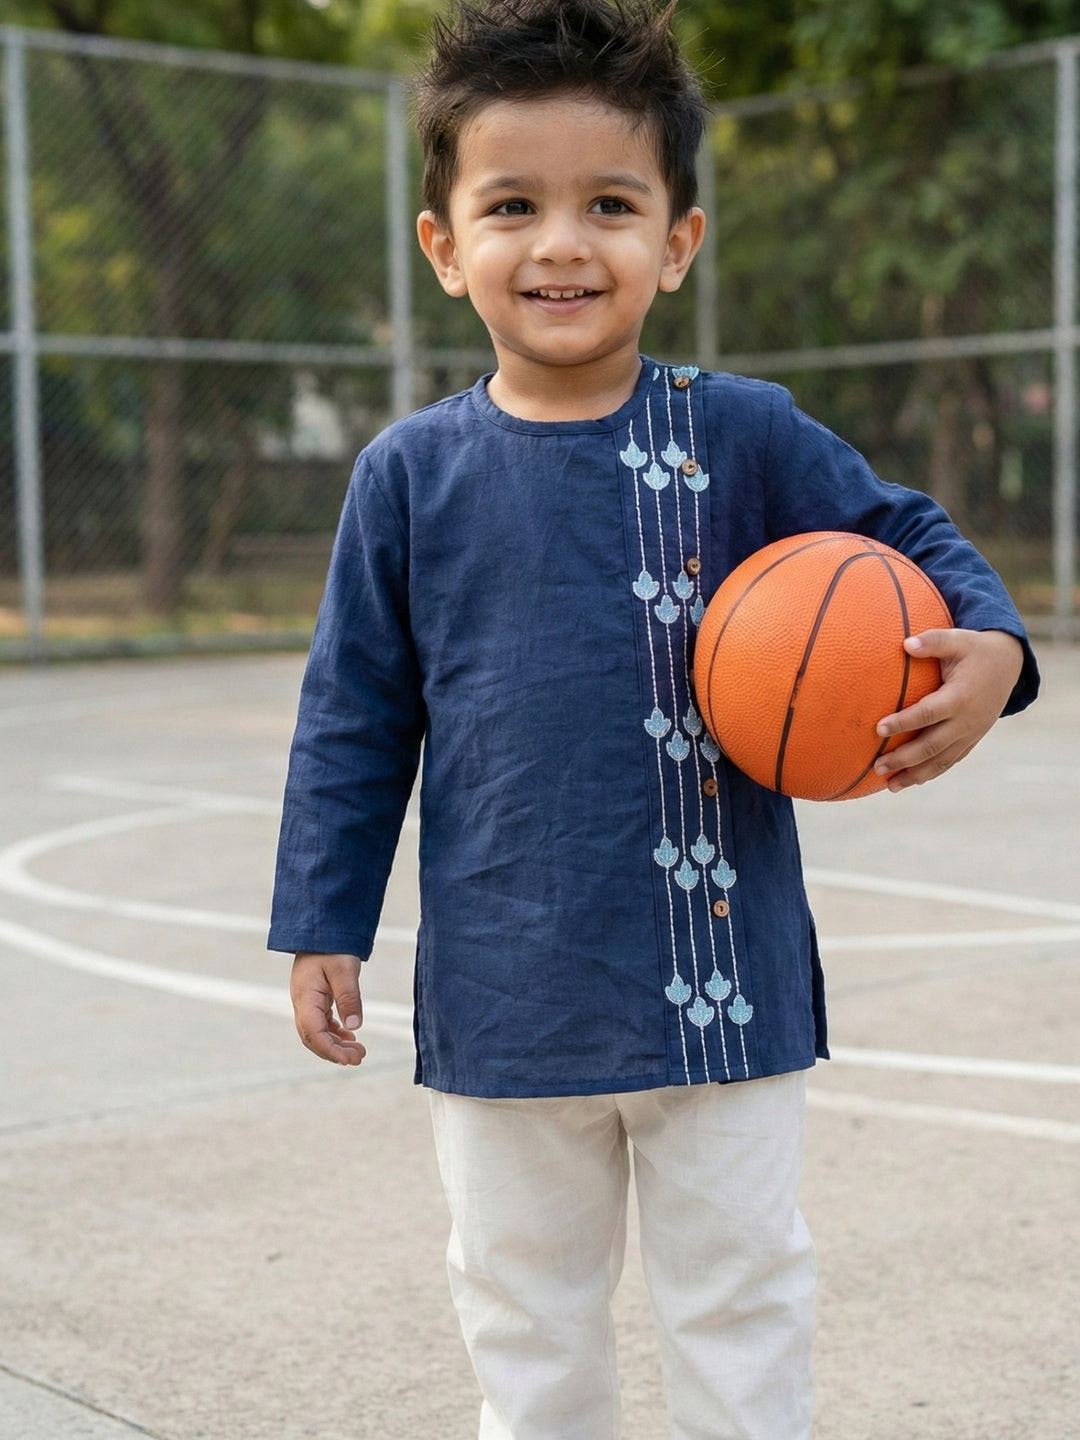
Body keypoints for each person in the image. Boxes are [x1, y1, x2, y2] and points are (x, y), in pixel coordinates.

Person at [269, 2, 1039, 1436]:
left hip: (721, 984)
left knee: (743, 1298)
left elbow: (919, 538)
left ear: (677, 241)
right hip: (506, 996)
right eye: (513, 205)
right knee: (524, 1314)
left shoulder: (742, 433)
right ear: (444, 247)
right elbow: (354, 715)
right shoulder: (408, 476)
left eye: (609, 204)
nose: (562, 242)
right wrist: (322, 917)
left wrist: (988, 646)